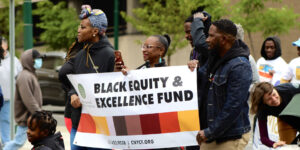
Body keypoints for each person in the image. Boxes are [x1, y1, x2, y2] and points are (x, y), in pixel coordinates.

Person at [188, 19, 252, 150]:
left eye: (211, 36)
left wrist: (209, 132)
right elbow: (200, 80)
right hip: (210, 134)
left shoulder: (240, 65)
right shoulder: (215, 58)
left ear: (223, 39)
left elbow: (233, 107)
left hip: (230, 136)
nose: (207, 39)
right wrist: (192, 69)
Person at [68, 5, 115, 150]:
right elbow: (74, 84)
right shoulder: (81, 54)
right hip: (78, 125)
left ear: (95, 31)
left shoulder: (110, 54)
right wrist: (73, 94)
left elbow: (114, 90)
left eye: (83, 27)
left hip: (100, 129)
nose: (78, 30)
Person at [3, 49, 43, 150]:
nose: (39, 61)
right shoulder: (25, 76)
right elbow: (28, 99)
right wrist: (39, 113)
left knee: (41, 141)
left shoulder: (30, 74)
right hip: (27, 118)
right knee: (18, 142)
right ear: (30, 60)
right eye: (37, 59)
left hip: (32, 117)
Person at [250, 82, 300, 148]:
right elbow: (264, 137)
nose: (274, 99)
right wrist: (273, 144)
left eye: (274, 94)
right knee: (287, 147)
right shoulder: (262, 109)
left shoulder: (289, 89)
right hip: (286, 121)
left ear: (275, 89)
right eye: (269, 99)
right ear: (264, 103)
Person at [0, 36, 23, 146]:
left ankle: (6, 144)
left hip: (8, 98)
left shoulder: (14, 60)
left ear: (6, 45)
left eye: (2, 44)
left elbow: (20, 77)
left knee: (6, 122)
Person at [59, 38, 84, 133]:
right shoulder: (79, 57)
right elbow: (62, 74)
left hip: (72, 114)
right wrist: (72, 92)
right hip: (74, 114)